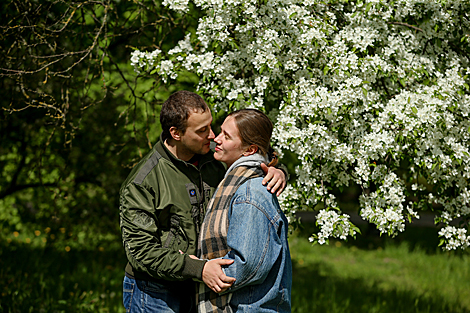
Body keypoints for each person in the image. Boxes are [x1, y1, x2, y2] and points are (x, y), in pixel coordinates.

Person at [119, 91, 287, 313]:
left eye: (211, 125)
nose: (212, 135)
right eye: (202, 130)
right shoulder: (143, 182)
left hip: (199, 289)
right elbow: (140, 252)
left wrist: (279, 170)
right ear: (176, 133)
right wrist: (198, 269)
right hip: (155, 294)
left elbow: (253, 151)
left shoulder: (214, 158)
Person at [197, 109, 292, 313]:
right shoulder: (234, 180)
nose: (216, 138)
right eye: (220, 131)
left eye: (226, 136)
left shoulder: (250, 191)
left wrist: (200, 270)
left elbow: (246, 266)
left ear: (249, 150)